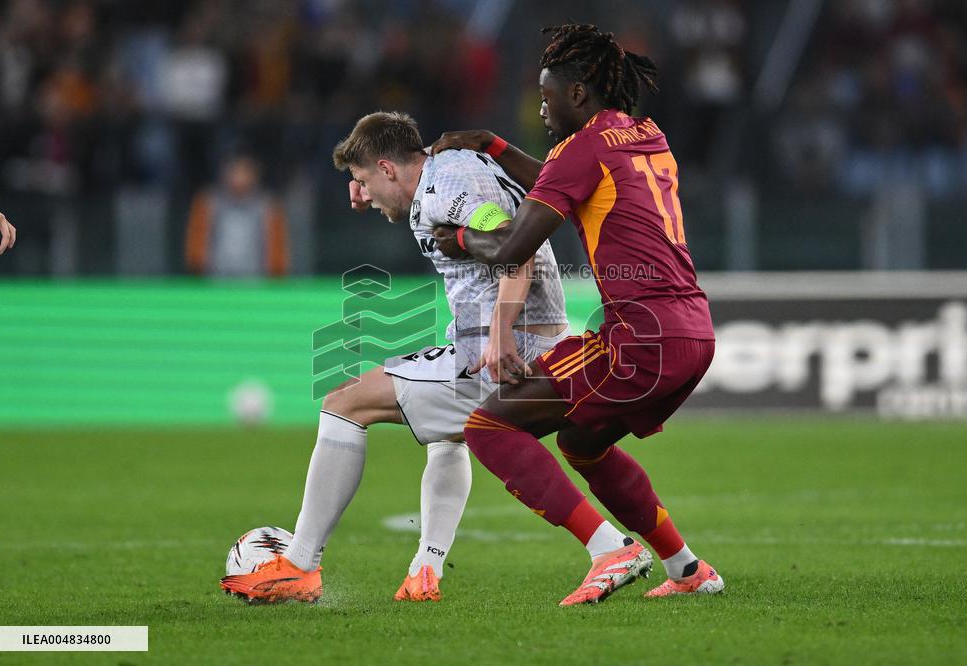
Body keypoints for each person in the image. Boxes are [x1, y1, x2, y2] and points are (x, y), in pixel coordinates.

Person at [220, 111, 623, 604]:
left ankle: (300, 565)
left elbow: (514, 247)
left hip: (507, 349)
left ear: (388, 168)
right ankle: (425, 571)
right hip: (518, 340)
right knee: (446, 436)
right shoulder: (445, 167)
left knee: (344, 402)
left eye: (364, 180)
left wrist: (500, 333)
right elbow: (475, 211)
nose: (362, 194)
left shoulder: (441, 190)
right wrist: (371, 188)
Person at [430, 23, 724, 604]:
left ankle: (612, 551)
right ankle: (688, 570)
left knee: (489, 428)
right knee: (583, 443)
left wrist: (458, 237)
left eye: (546, 96)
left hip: (641, 339)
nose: (541, 107)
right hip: (693, 332)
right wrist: (492, 146)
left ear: (578, 93)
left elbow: (511, 247)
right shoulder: (645, 133)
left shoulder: (581, 149)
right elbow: (559, 180)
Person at [185, 155, 289, 278]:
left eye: (244, 172)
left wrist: (275, 274)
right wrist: (198, 270)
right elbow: (197, 247)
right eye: (235, 171)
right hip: (216, 279)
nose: (239, 177)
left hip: (255, 281)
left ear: (254, 175)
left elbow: (277, 251)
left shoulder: (266, 206)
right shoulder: (209, 202)